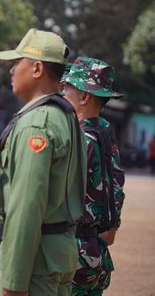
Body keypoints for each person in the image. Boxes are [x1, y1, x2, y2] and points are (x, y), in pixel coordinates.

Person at [0, 28, 87, 296]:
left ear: (36, 69)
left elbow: (28, 205)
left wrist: (14, 282)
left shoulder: (36, 123)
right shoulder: (66, 116)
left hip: (36, 263)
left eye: (17, 61)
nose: (11, 70)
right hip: (57, 253)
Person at [61, 57, 126, 295]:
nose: (62, 92)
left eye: (67, 88)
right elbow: (117, 183)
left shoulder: (79, 138)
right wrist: (113, 223)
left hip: (73, 251)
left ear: (85, 96)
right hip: (96, 250)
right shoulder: (105, 130)